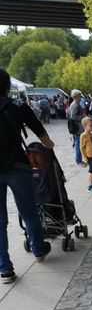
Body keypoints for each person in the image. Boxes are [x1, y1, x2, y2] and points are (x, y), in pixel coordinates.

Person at [0, 68, 52, 283]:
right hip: (18, 167)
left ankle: (5, 269)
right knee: (29, 212)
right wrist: (49, 146)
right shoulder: (18, 108)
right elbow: (43, 135)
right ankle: (38, 248)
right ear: (8, 87)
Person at [67, 89, 84, 165]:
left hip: (77, 127)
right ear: (77, 96)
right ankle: (78, 160)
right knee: (78, 143)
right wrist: (83, 117)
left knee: (78, 142)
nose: (81, 97)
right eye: (80, 96)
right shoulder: (75, 105)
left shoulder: (74, 104)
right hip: (77, 127)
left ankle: (80, 159)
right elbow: (73, 116)